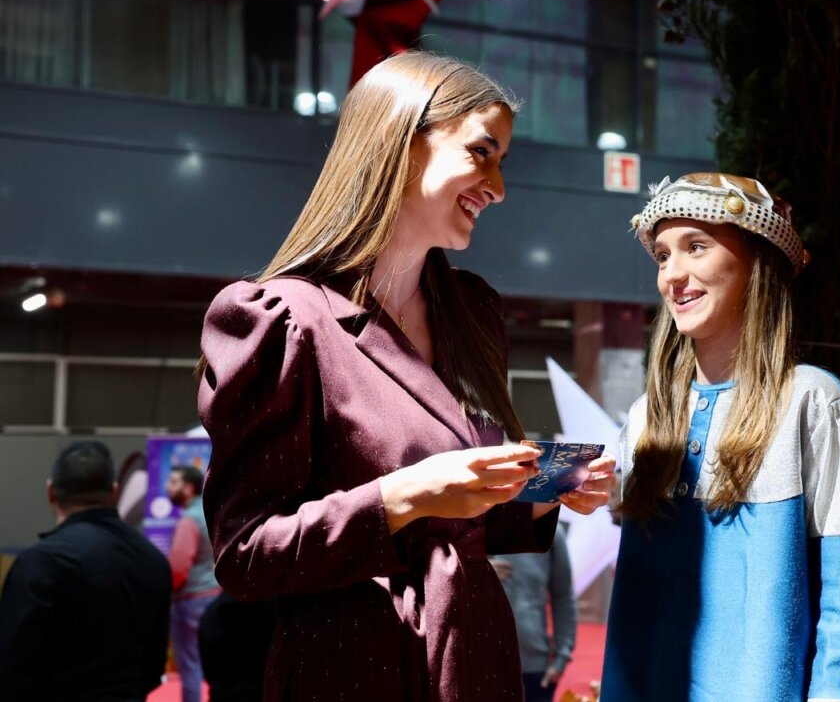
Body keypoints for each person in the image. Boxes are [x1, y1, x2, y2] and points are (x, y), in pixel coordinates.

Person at [197, 52, 616, 701]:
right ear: (403, 143)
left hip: (477, 652)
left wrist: (547, 485)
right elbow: (246, 555)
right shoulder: (285, 317)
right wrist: (404, 494)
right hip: (354, 668)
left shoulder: (471, 312)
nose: (499, 186)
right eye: (483, 152)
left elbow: (465, 508)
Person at [602, 173, 840, 701]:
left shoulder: (814, 403)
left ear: (758, 262)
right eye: (662, 256)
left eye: (696, 247)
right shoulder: (645, 418)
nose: (672, 275)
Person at [0, 440, 170, 700]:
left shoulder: (40, 562)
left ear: (51, 493)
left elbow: (13, 664)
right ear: (114, 493)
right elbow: (153, 664)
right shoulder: (154, 561)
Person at [490, 522, 577, 702]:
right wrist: (476, 570)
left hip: (534, 666)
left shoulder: (550, 529)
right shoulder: (474, 522)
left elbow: (563, 596)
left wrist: (562, 656)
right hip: (481, 664)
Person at [166, 464, 221, 702]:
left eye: (174, 482)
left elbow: (178, 569)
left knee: (190, 666)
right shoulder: (212, 513)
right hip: (217, 597)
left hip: (191, 602)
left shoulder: (189, 519)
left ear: (188, 488)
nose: (168, 487)